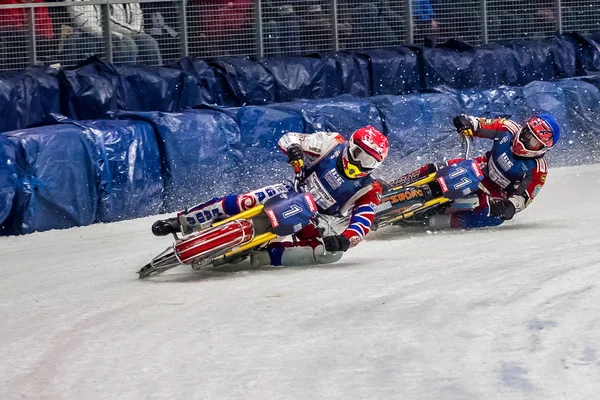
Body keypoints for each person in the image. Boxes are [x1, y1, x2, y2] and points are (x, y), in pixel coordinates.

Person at [152, 126, 389, 267]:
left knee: (329, 254)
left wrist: (345, 239)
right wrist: (294, 149)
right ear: (350, 146)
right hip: (290, 189)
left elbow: (362, 222)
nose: (360, 164)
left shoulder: (370, 189)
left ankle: (262, 257)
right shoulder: (331, 143)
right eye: (359, 154)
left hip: (314, 219)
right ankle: (183, 220)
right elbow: (289, 138)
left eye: (369, 162)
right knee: (244, 201)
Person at [422, 113, 560, 229]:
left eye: (533, 142)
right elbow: (482, 124)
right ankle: (405, 180)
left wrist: (509, 207)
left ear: (542, 148)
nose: (525, 140)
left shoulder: (538, 168)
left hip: (497, 191)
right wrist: (467, 122)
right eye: (527, 133)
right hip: (481, 167)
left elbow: (524, 197)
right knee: (435, 168)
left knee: (494, 217)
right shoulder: (508, 128)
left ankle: (445, 221)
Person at [68, 1, 162, 65]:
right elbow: (87, 23)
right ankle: (125, 81)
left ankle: (159, 79)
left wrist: (135, 31)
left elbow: (138, 15)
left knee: (149, 42)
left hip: (122, 32)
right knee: (127, 43)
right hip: (87, 36)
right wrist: (129, 32)